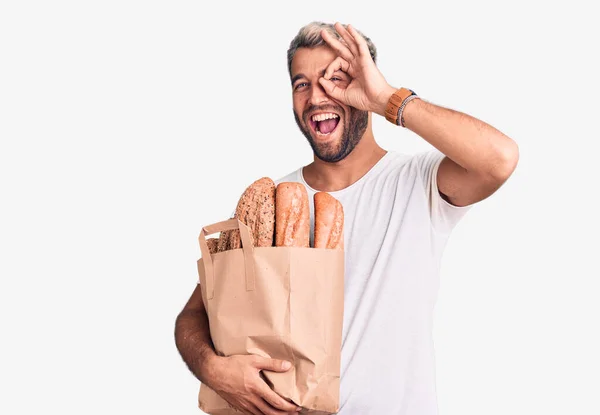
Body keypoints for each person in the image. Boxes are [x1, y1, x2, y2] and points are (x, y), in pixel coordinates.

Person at [175, 21, 519, 415]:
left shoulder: (419, 184)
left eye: (334, 79)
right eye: (301, 83)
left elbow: (499, 159)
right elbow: (194, 314)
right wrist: (211, 368)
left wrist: (388, 98)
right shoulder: (270, 201)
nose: (316, 96)